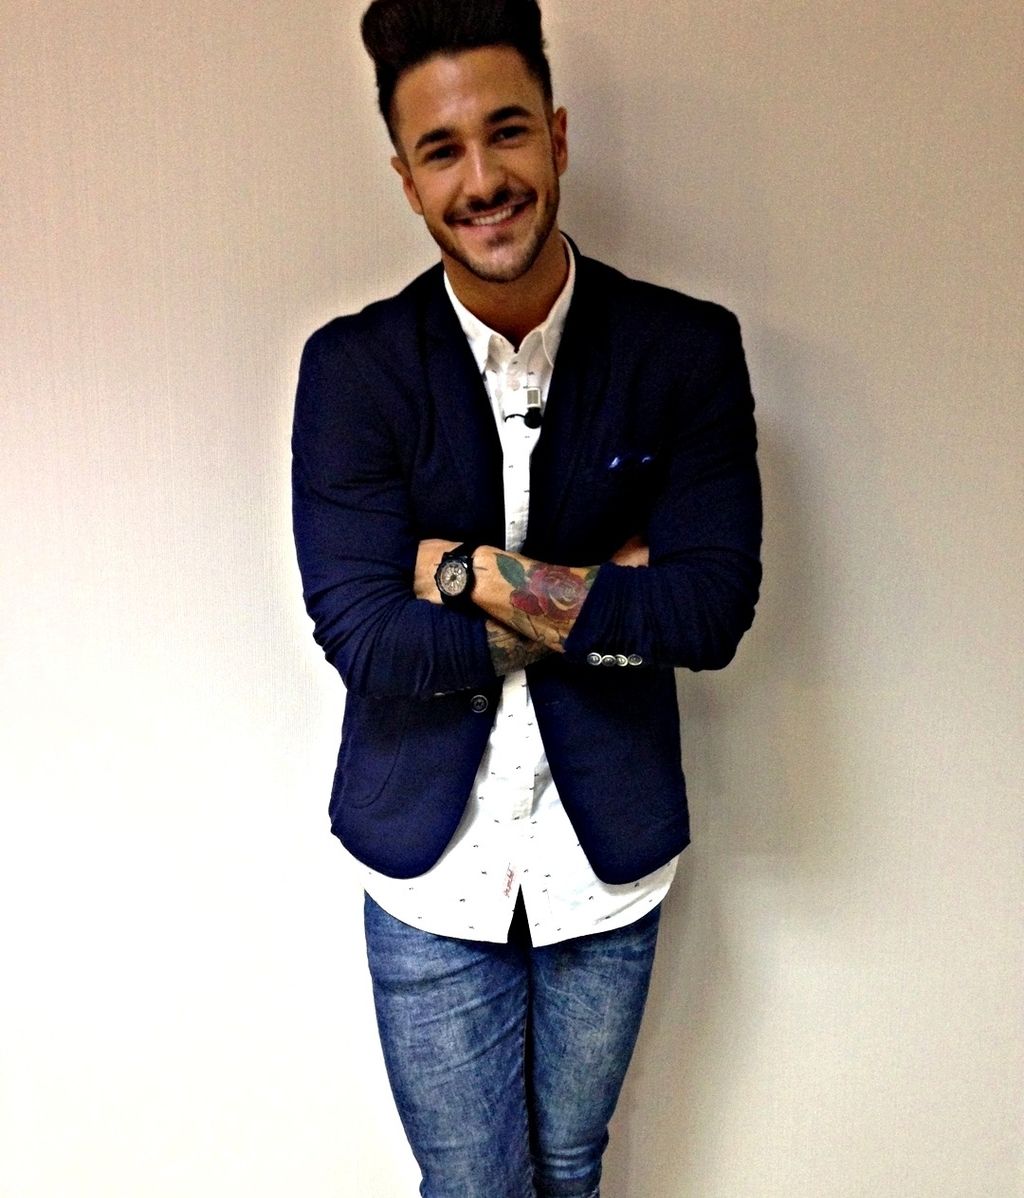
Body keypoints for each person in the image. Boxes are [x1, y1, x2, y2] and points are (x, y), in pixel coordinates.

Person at [291, 1, 762, 1193]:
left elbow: (706, 614)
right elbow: (367, 637)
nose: (483, 179)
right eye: (441, 150)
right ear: (406, 180)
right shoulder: (351, 369)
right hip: (427, 867)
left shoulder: (683, 350)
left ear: (555, 135)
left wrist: (464, 571)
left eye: (506, 132)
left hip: (604, 860)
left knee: (570, 1166)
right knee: (472, 1188)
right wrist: (605, 597)